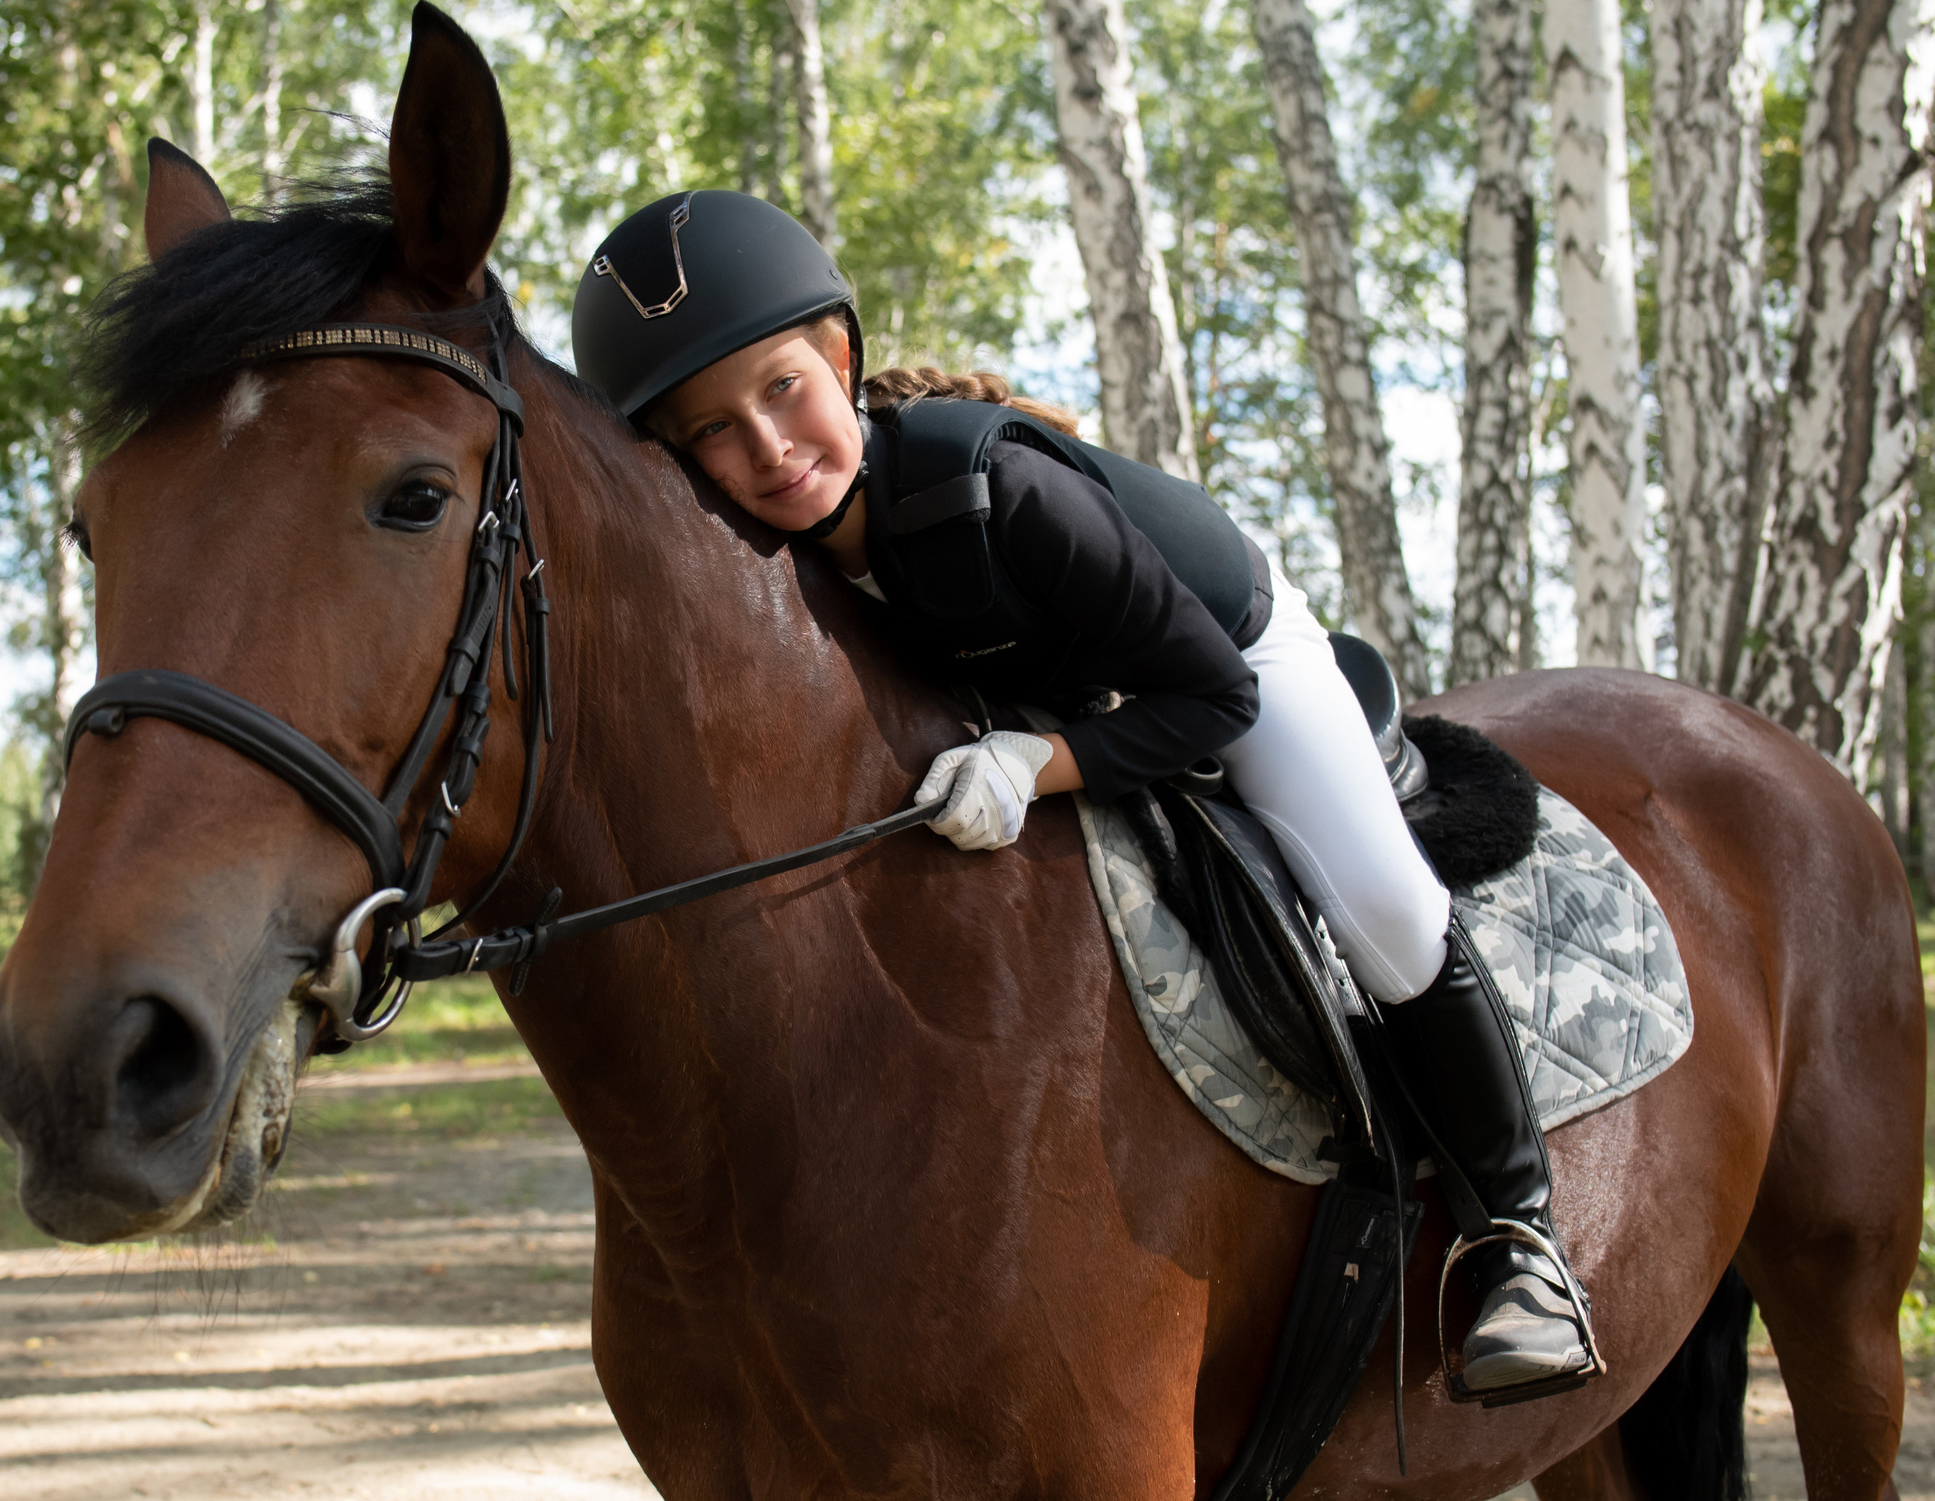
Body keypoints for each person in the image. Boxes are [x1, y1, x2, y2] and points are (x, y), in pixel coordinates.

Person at [569, 189, 1595, 1400]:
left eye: (782, 388)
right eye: (711, 433)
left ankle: (1520, 1240)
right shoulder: (779, 561)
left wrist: (1035, 762)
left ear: (838, 356)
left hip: (1230, 657)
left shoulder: (991, 490)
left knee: (1382, 903)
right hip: (1073, 683)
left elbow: (1213, 701)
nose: (768, 447)